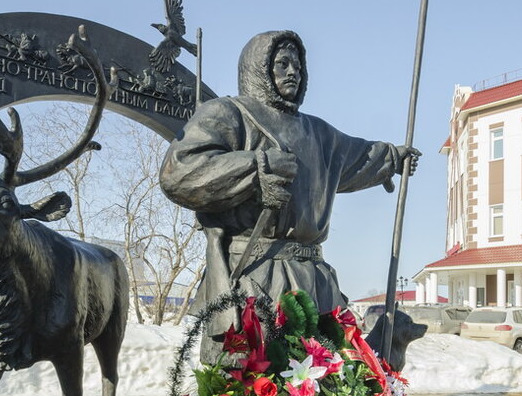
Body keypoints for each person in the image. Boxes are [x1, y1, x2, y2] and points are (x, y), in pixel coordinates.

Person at [159, 30, 418, 360]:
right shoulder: (228, 113)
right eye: (282, 64)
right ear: (259, 68)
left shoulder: (318, 132)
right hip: (255, 272)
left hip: (314, 279)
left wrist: (393, 158)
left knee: (325, 385)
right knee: (251, 380)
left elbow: (359, 157)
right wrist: (257, 167)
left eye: (297, 65)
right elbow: (180, 171)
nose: (293, 72)